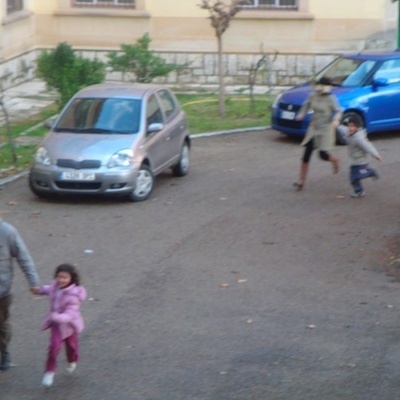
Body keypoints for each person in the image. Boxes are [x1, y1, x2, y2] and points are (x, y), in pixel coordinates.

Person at [33, 263, 86, 387]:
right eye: (59, 277)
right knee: (53, 347)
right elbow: (48, 290)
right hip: (57, 325)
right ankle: (49, 371)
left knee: (72, 347)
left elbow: (70, 314)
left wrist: (56, 316)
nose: (61, 280)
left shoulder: (73, 296)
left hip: (69, 326)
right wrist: (39, 290)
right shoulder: (55, 286)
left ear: (71, 278)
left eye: (65, 277)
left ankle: (72, 360)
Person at [0, 217, 40, 371]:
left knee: (1, 325)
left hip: (2, 292)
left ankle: (4, 352)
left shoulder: (7, 232)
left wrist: (34, 282)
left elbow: (24, 258)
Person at [293, 77, 342, 190]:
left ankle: (334, 160)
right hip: (314, 127)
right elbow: (306, 105)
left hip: (325, 128)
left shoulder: (331, 98)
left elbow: (338, 111)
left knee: (323, 155)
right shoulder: (312, 95)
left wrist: (336, 120)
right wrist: (302, 114)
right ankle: (301, 181)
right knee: (307, 153)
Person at [337, 116, 382, 198]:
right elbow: (342, 129)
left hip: (361, 161)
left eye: (353, 126)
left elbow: (368, 146)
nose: (350, 128)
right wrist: (336, 125)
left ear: (357, 127)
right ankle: (359, 191)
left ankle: (369, 171)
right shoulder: (348, 132)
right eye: (349, 126)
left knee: (355, 176)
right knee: (353, 178)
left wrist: (376, 155)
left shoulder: (359, 138)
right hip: (354, 161)